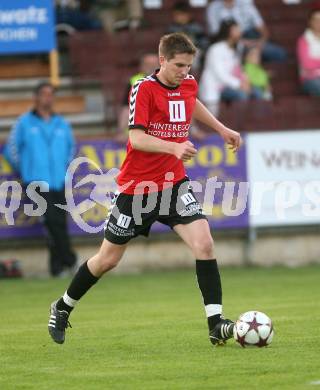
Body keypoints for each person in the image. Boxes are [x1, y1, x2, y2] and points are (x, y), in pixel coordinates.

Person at [47, 33, 242, 347]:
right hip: (137, 190)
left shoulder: (188, 83)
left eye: (189, 66)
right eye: (178, 65)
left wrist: (222, 129)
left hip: (174, 185)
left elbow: (192, 103)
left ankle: (215, 323)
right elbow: (136, 139)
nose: (184, 71)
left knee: (204, 244)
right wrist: (174, 147)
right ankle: (63, 306)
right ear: (162, 59)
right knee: (107, 260)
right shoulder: (144, 88)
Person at [4, 82, 77, 277]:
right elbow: (11, 150)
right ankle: (71, 260)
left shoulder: (61, 123)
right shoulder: (23, 123)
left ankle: (57, 268)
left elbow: (71, 148)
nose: (48, 98)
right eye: (44, 94)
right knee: (51, 219)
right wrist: (26, 170)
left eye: (51, 94)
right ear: (36, 97)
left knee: (57, 222)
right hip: (36, 181)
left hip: (58, 180)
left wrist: (64, 168)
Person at [199, 20, 252, 116]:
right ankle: (237, 125)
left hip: (229, 85)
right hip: (216, 87)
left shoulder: (238, 47)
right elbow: (220, 74)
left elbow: (238, 68)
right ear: (229, 32)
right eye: (236, 30)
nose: (240, 32)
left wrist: (245, 80)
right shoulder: (215, 49)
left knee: (256, 92)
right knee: (241, 95)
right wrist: (239, 84)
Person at [206, 0, 287, 62]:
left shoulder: (246, 3)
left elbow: (262, 29)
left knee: (279, 54)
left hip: (253, 38)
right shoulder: (213, 8)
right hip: (230, 43)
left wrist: (260, 43)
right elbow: (217, 35)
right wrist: (242, 43)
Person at [116, 53, 159, 143]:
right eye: (148, 65)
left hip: (161, 133)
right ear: (142, 67)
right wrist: (121, 131)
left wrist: (192, 129)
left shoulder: (169, 82)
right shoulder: (134, 82)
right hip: (137, 133)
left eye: (154, 65)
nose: (151, 68)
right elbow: (127, 108)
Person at [166, 0, 209, 72]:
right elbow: (167, 44)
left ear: (188, 15)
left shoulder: (196, 27)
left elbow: (205, 43)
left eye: (182, 14)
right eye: (177, 15)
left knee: (196, 54)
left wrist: (194, 44)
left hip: (193, 51)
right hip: (177, 52)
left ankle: (191, 73)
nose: (180, 17)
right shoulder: (172, 29)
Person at [297, 7, 320, 96]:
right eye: (316, 20)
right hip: (310, 78)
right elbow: (307, 64)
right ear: (310, 22)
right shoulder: (304, 40)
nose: (318, 23)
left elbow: (312, 62)